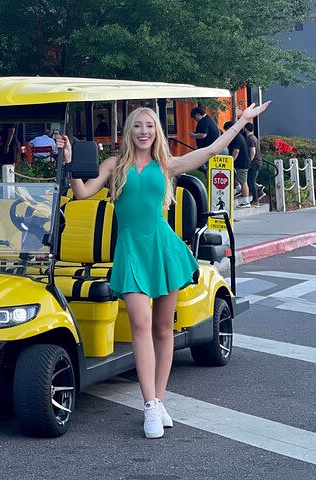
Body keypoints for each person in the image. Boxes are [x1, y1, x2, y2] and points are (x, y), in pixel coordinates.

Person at [58, 101, 270, 439]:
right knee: (140, 324)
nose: (144, 131)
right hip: (131, 251)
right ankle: (149, 406)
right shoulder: (115, 165)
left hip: (165, 249)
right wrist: (68, 161)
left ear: (156, 131)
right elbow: (82, 192)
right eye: (138, 126)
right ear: (129, 131)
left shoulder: (166, 164)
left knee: (161, 330)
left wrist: (241, 121)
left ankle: (158, 399)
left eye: (150, 126)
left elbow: (214, 148)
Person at [223, 121, 251, 207]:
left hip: (241, 163)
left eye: (226, 130)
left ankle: (246, 201)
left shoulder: (236, 138)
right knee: (234, 177)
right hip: (240, 163)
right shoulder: (239, 136)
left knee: (243, 182)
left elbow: (236, 151)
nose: (226, 132)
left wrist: (230, 161)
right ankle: (238, 189)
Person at [243, 123, 265, 206]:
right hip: (257, 162)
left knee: (251, 181)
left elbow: (252, 151)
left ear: (246, 129)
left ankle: (255, 199)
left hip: (254, 163)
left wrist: (249, 161)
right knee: (250, 180)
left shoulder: (250, 139)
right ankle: (259, 191)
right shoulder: (253, 138)